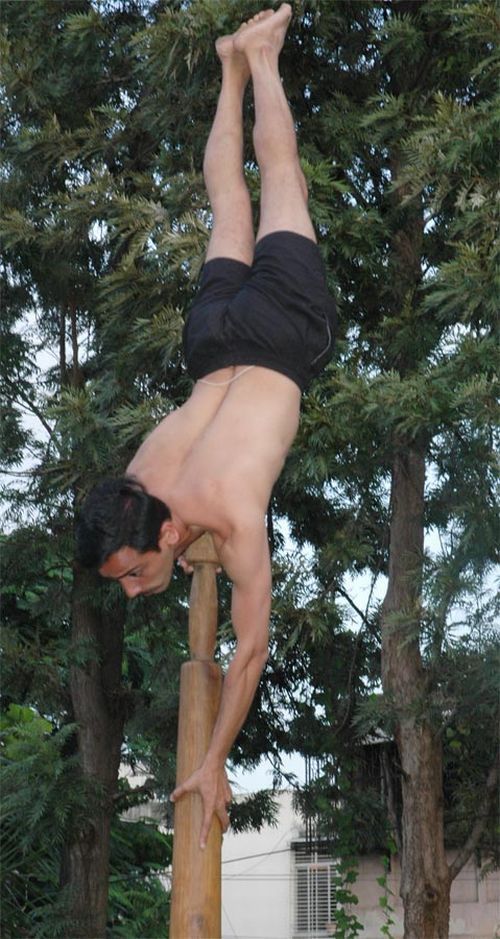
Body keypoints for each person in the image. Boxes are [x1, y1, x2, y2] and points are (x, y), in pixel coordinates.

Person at [77, 3, 336, 849]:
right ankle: (228, 66)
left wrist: (215, 759)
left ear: (169, 528)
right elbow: (183, 543)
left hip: (278, 339)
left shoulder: (220, 511)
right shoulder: (139, 483)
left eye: (133, 569)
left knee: (277, 175)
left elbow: (250, 650)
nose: (131, 584)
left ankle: (259, 57)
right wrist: (188, 550)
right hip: (210, 345)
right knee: (227, 198)